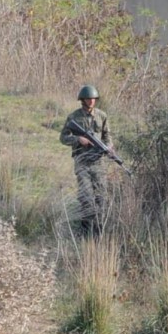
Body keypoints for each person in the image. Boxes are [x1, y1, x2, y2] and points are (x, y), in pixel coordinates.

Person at [59, 85, 111, 236]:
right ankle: (85, 229)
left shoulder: (102, 116)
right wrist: (77, 139)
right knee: (86, 196)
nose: (91, 101)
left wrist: (108, 148)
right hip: (82, 161)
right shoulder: (74, 117)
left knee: (101, 196)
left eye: (94, 99)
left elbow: (108, 137)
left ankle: (99, 230)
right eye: (88, 99)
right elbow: (63, 137)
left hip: (98, 162)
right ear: (82, 100)